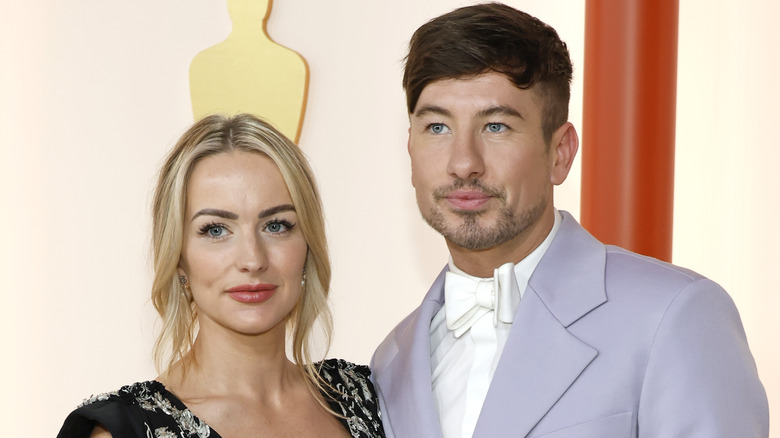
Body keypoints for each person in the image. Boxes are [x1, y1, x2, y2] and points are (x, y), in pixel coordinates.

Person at [371, 3, 769, 438]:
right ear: (410, 148)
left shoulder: (674, 316)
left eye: (497, 126)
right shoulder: (388, 363)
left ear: (560, 153)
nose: (464, 163)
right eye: (437, 127)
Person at [58, 114, 385, 438]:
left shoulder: (370, 399)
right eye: (215, 230)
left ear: (308, 245)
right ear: (179, 259)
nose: (253, 259)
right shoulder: (123, 430)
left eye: (276, 225)